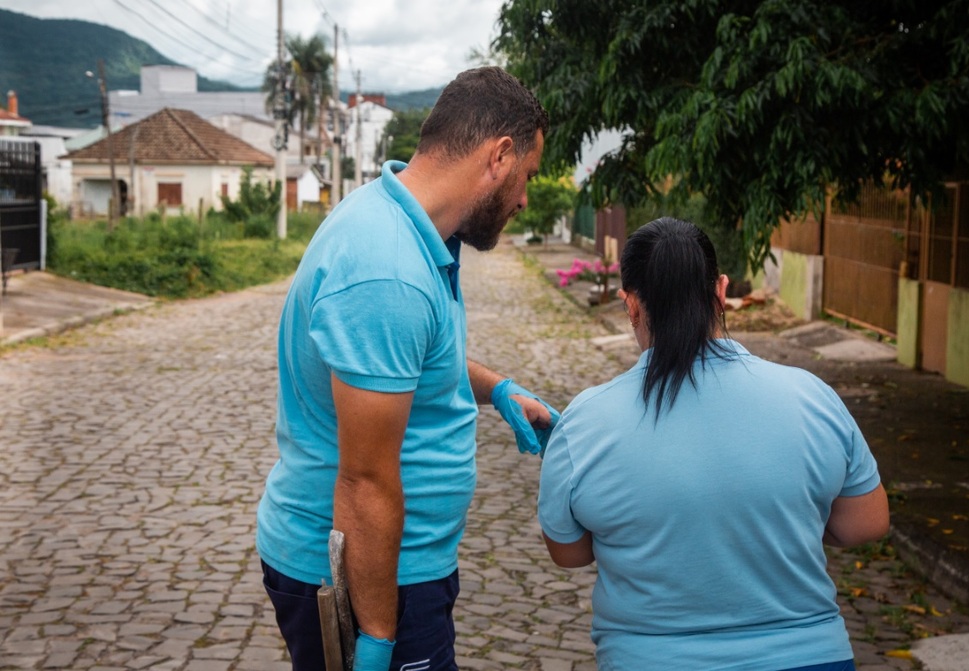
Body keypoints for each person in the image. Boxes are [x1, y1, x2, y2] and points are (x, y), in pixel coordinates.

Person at [256, 66, 558, 671]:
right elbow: (365, 481)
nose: (525, 198)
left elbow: (415, 359)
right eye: (526, 175)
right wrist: (377, 638)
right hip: (373, 577)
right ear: (499, 155)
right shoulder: (387, 268)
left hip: (400, 567)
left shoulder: (409, 228)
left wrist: (495, 389)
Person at [537, 217, 890, 671]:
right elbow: (866, 522)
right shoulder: (810, 395)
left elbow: (568, 553)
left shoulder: (585, 421)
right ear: (721, 291)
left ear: (631, 306)